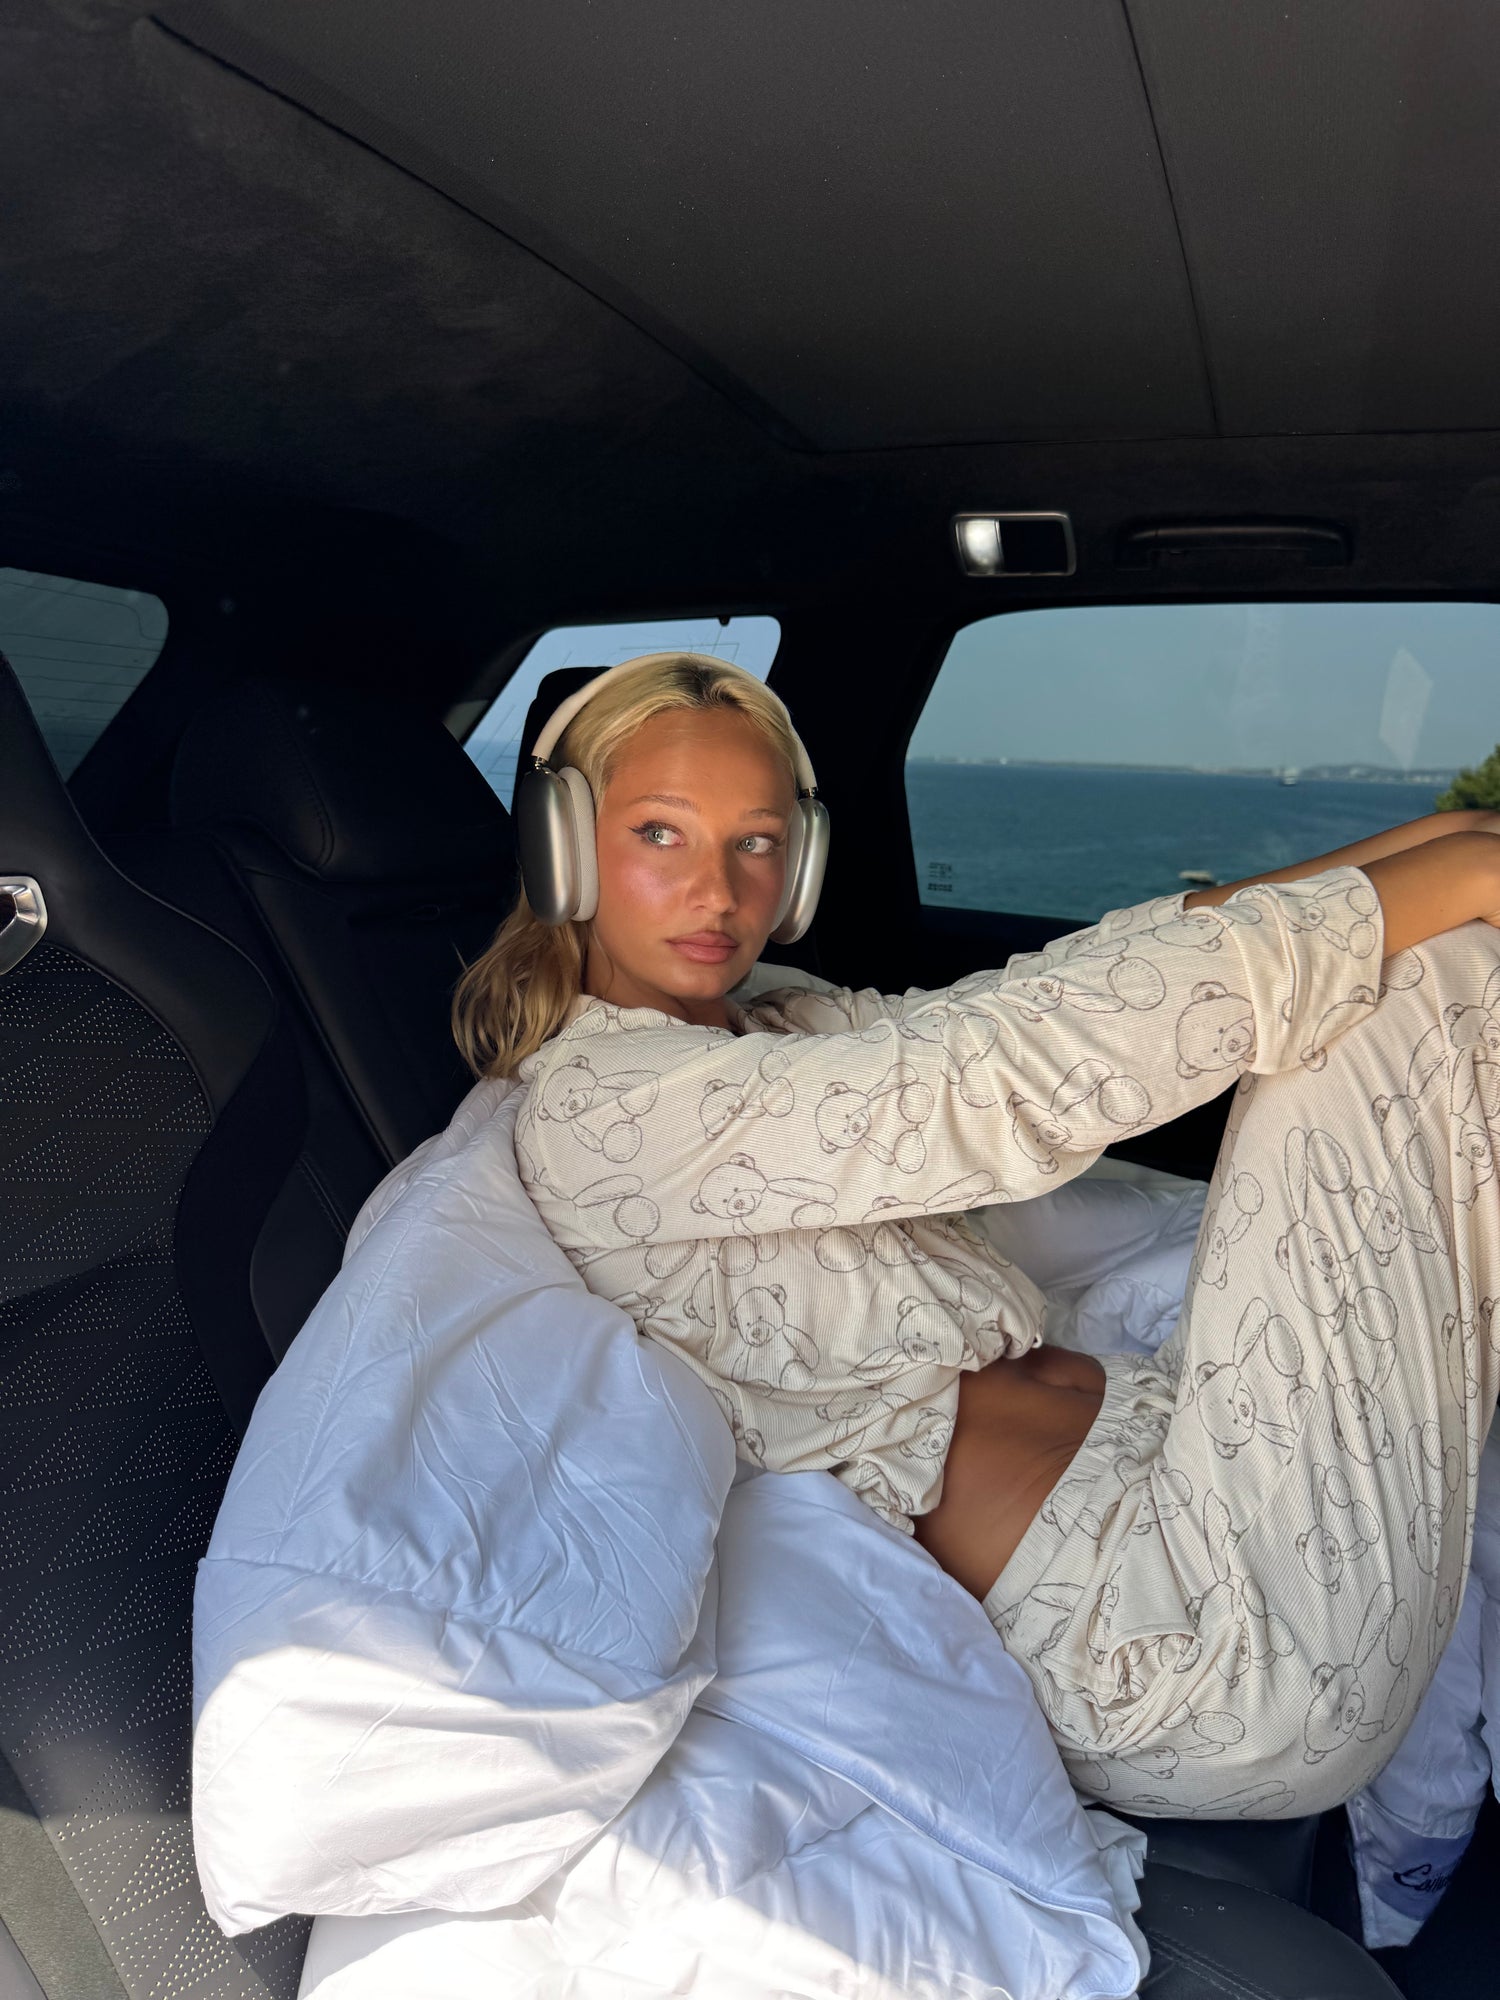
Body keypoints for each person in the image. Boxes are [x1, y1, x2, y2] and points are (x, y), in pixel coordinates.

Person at [453, 651, 1500, 1821]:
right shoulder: (614, 1105)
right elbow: (988, 1075)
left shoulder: (771, 1021)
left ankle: (1411, 1845)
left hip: (1181, 1475)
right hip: (1180, 1640)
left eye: (756, 841)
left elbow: (1033, 992)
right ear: (563, 844)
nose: (719, 888)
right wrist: (1453, 876)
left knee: (1413, 953)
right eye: (661, 832)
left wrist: (1435, 840)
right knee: (1427, 984)